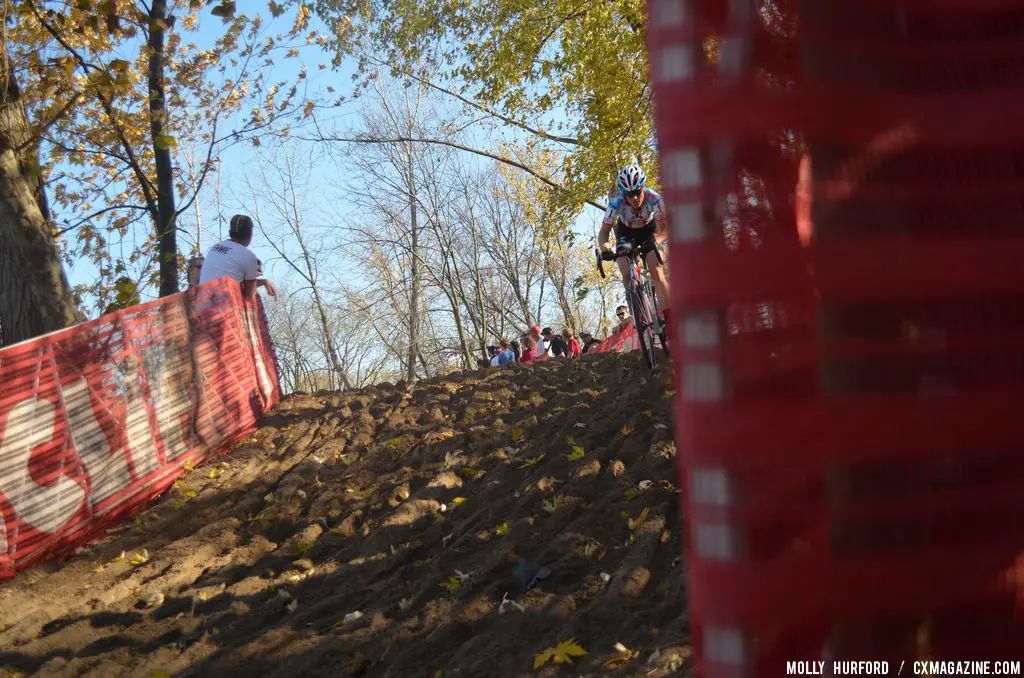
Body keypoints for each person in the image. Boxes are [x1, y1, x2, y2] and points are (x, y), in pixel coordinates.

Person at [598, 164, 670, 327]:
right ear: (624, 194)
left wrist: (655, 241)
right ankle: (638, 310)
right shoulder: (616, 203)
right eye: (630, 194)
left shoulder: (654, 199)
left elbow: (665, 229)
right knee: (625, 269)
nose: (635, 198)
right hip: (626, 234)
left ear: (643, 187)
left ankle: (670, 318)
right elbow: (603, 233)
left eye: (637, 192)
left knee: (656, 270)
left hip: (649, 231)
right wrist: (605, 249)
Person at [199, 214, 277, 300]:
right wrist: (252, 277)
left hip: (202, 303)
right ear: (250, 234)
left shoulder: (215, 248)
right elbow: (249, 297)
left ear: (230, 232)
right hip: (223, 307)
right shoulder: (249, 257)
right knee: (256, 299)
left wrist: (262, 281)